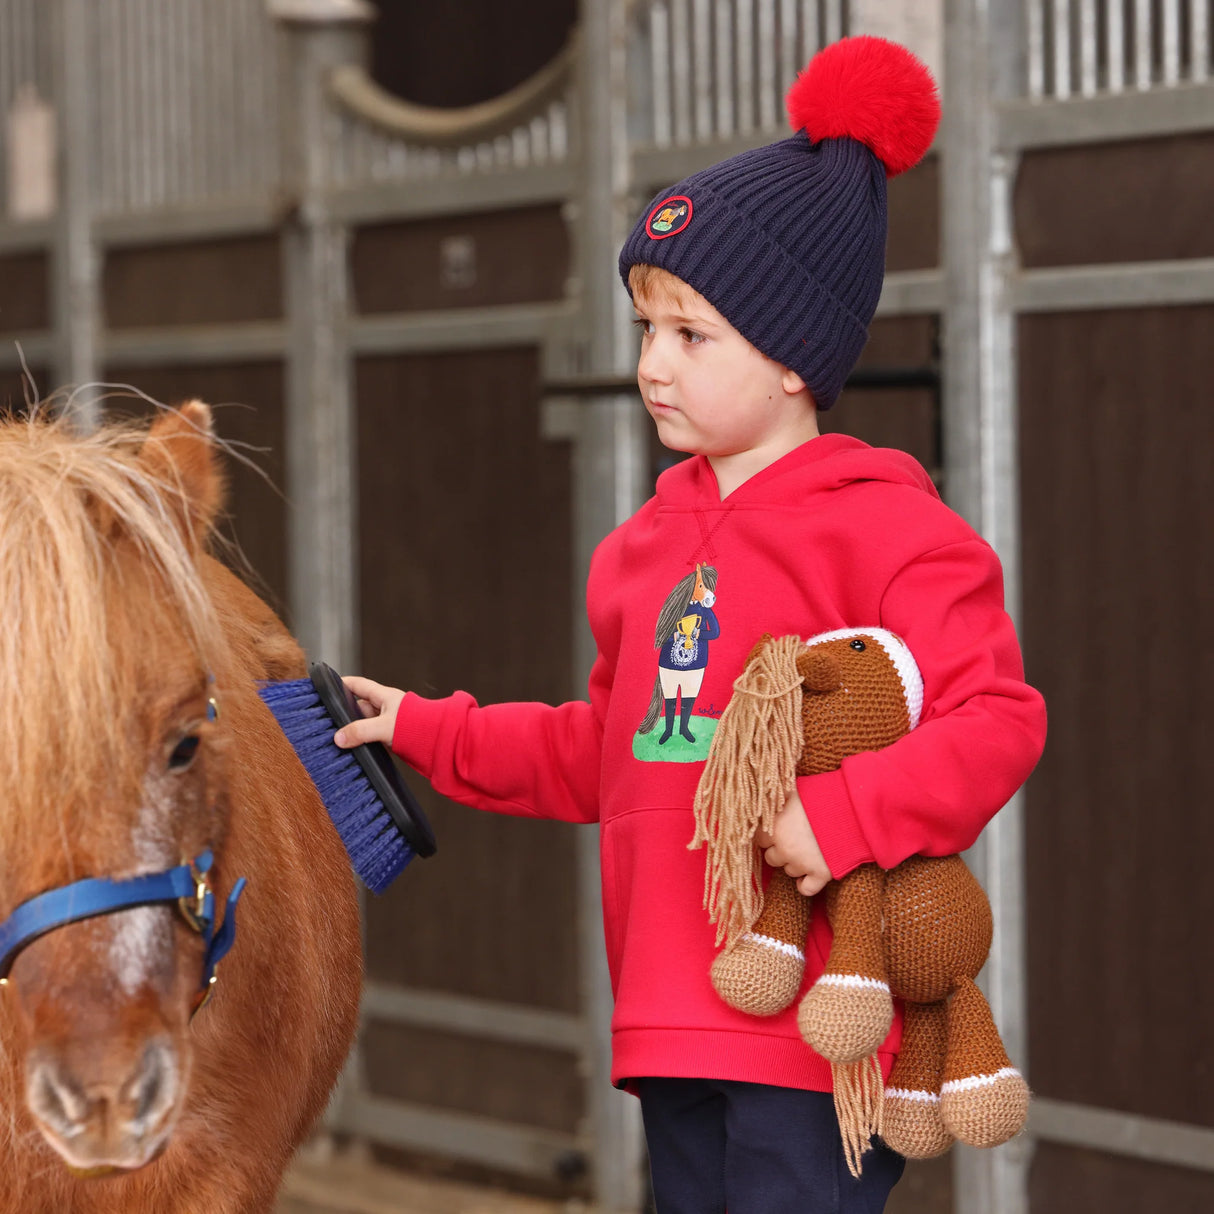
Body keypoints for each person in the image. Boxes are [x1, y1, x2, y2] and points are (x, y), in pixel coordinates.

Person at [335, 35, 1047, 1214]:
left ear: (791, 362)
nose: (649, 365)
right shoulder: (640, 551)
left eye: (688, 333)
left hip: (811, 1024)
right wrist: (424, 724)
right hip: (669, 1012)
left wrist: (844, 813)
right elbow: (603, 747)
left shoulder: (888, 529)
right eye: (642, 328)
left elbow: (996, 719)